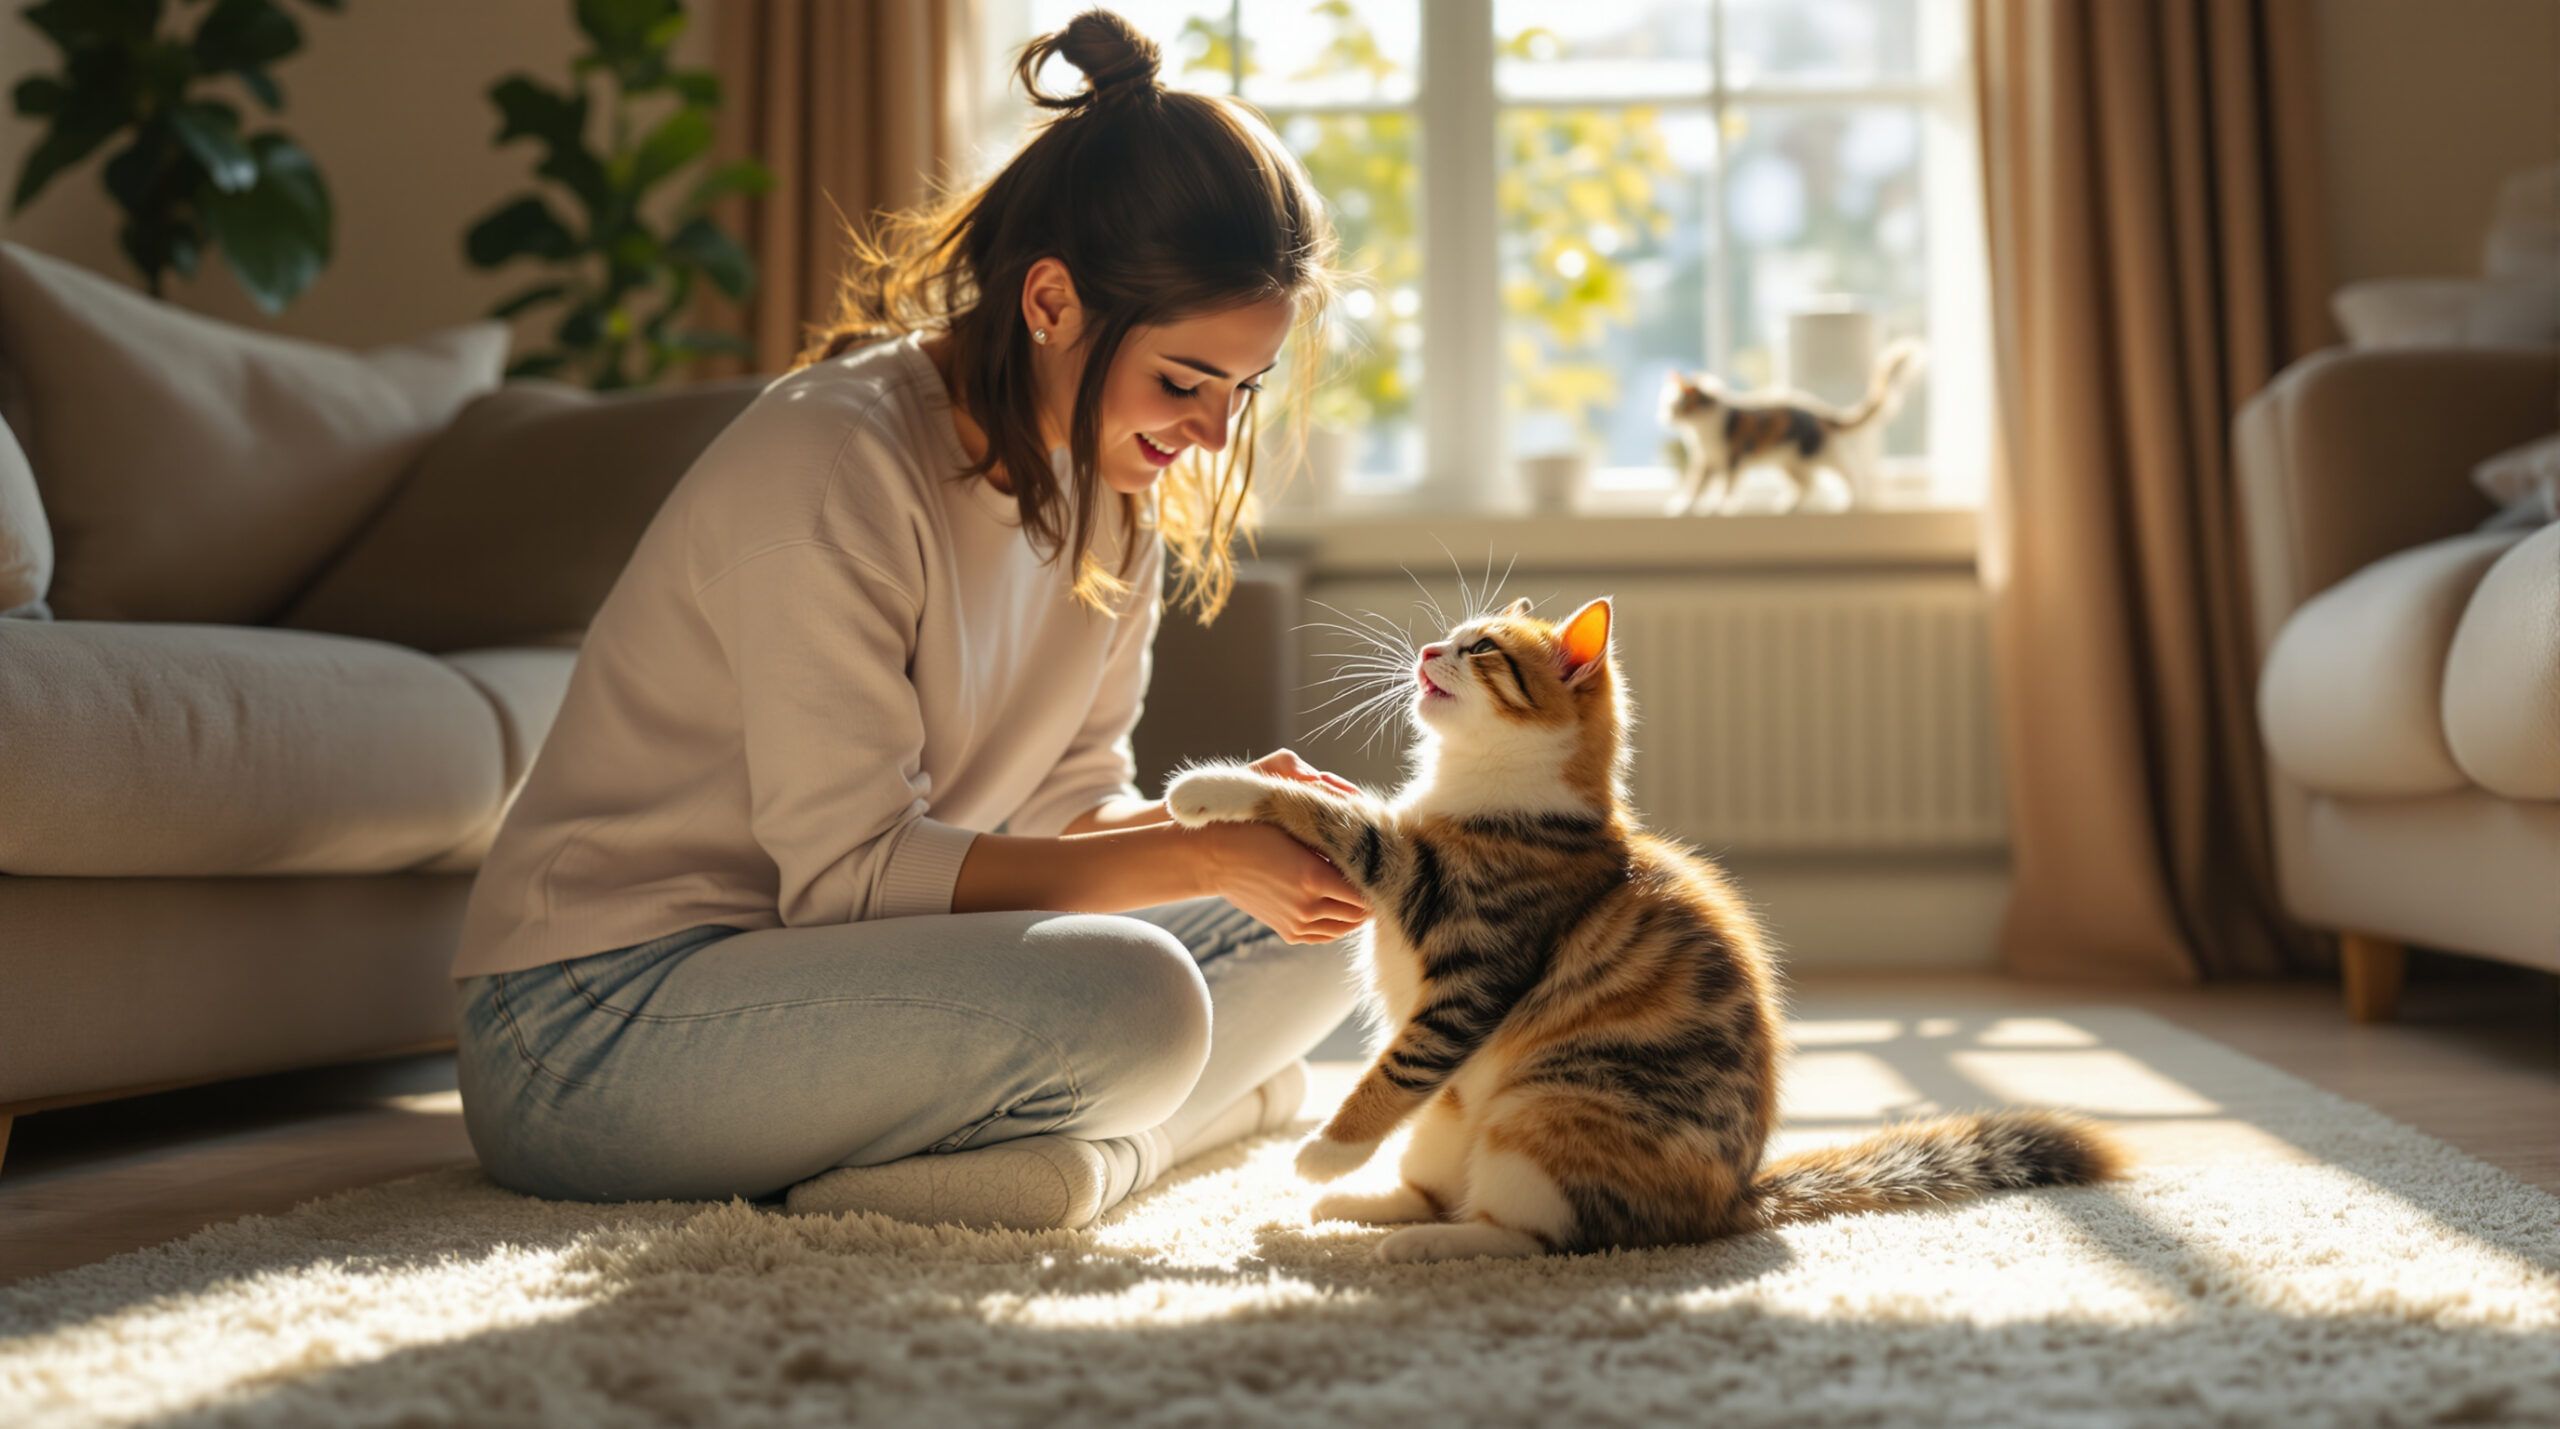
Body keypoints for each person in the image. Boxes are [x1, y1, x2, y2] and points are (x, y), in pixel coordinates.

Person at [449, 8, 1367, 1231]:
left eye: (1240, 390)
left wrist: (1235, 823)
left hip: (843, 968)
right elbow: (854, 878)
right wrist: (1198, 856)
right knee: (1136, 998)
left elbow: (1066, 808)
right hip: (594, 1019)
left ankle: (1089, 1152)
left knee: (1340, 913)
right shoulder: (831, 466)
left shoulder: (1114, 489)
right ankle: (1178, 1122)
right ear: (1052, 301)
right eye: (1182, 380)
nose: (1209, 432)